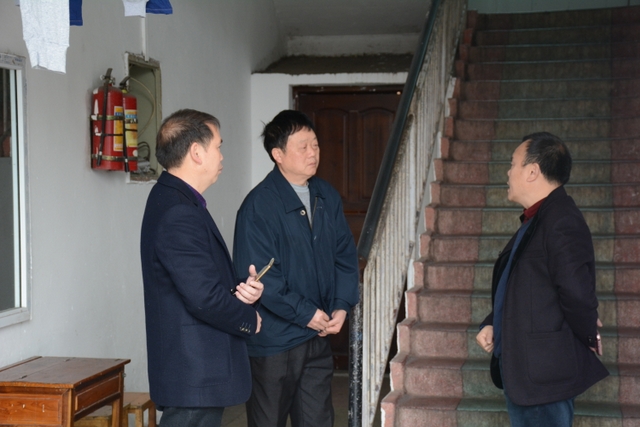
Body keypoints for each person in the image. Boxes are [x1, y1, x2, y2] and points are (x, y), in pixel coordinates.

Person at [233, 110, 359, 427]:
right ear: (278, 154)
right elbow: (262, 277)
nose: (313, 152)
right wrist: (306, 314)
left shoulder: (326, 195)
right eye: (303, 146)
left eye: (315, 144)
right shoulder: (258, 206)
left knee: (318, 420)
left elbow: (345, 257)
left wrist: (341, 305)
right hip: (274, 342)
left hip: (316, 337)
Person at [475, 132, 609, 426]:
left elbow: (576, 292)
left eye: (513, 164)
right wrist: (492, 321)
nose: (508, 172)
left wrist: (588, 332)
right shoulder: (538, 218)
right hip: (528, 370)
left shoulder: (561, 220)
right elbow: (524, 285)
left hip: (543, 375)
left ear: (533, 171)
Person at [140, 109, 263, 427]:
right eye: (218, 146)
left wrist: (241, 290)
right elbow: (203, 297)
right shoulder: (179, 210)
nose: (221, 156)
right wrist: (248, 318)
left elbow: (199, 281)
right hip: (193, 371)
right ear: (196, 152)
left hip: (193, 371)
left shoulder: (175, 199)